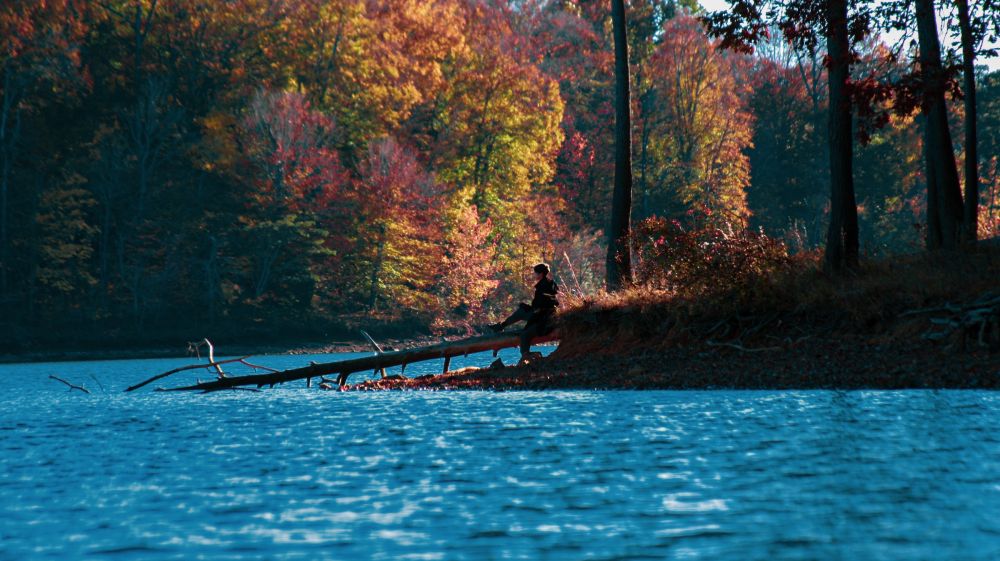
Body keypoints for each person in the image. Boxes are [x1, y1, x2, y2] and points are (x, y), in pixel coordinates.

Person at [489, 263, 559, 361]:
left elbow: (542, 306)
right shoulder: (549, 284)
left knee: (524, 334)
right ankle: (501, 326)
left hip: (543, 318)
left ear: (541, 274)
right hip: (540, 314)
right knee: (522, 311)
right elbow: (541, 305)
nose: (534, 275)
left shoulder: (543, 287)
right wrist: (528, 307)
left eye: (535, 273)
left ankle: (526, 354)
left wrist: (530, 308)